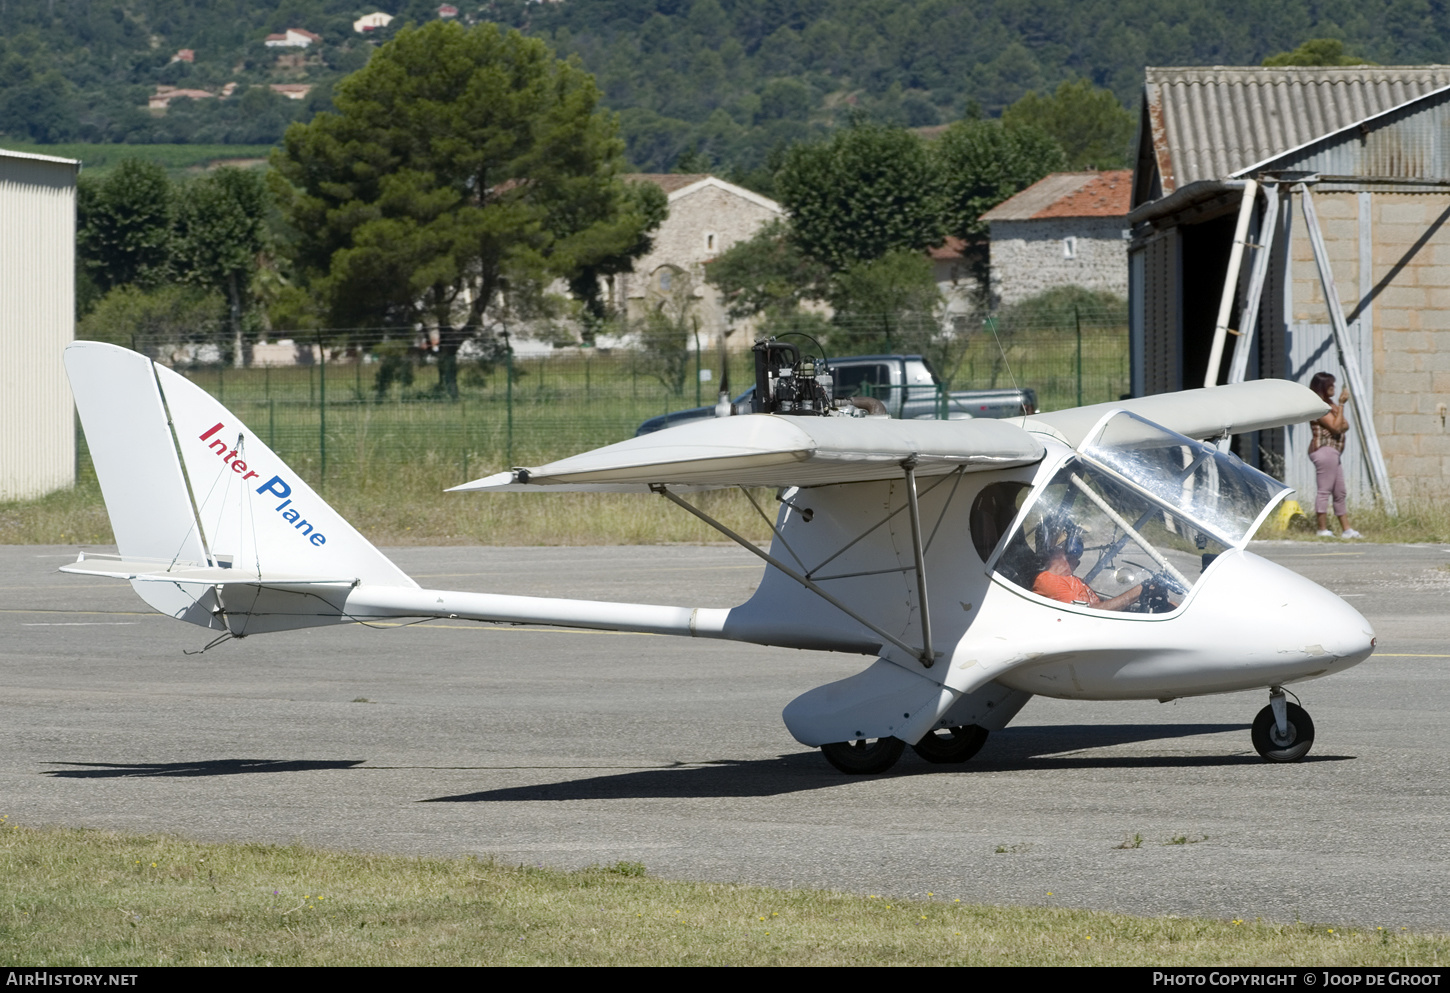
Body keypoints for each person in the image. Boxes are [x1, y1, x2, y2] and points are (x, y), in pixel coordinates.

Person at [1308, 372, 1361, 539]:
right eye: (1330, 385)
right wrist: (1341, 405)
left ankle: (1346, 530)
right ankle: (1322, 529)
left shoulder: (1330, 405)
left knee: (1340, 492)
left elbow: (1345, 425)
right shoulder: (1319, 407)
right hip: (1324, 450)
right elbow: (1337, 427)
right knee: (1324, 491)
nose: (1334, 388)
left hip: (1334, 452)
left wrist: (1338, 414)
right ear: (1323, 387)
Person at [1033, 534, 1144, 611]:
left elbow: (1098, 605)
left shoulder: (1074, 579)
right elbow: (1087, 612)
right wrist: (1139, 591)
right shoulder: (1049, 581)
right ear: (1056, 550)